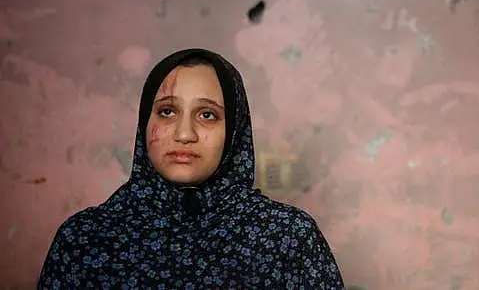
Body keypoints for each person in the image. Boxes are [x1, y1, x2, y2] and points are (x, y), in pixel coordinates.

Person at [38, 48, 345, 289]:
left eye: (208, 115)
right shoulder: (84, 240)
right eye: (167, 111)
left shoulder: (287, 238)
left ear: (235, 131)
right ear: (145, 123)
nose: (185, 134)